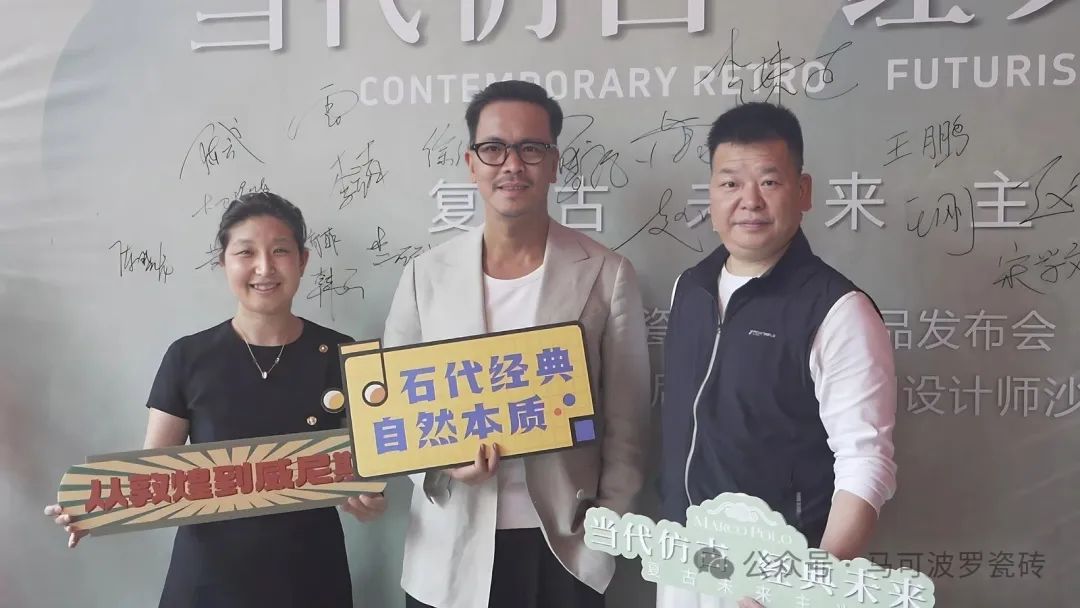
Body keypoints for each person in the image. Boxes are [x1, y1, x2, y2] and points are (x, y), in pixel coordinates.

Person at [380, 80, 651, 608]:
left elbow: (628, 423)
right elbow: (395, 409)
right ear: (471, 163)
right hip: (449, 551)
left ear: (553, 163)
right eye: (493, 148)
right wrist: (441, 463)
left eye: (531, 149)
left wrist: (605, 529)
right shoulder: (425, 275)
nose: (512, 165)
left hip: (566, 548)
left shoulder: (607, 273)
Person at [45, 192, 386, 608]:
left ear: (303, 261)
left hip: (311, 576)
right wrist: (96, 508)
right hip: (207, 581)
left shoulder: (345, 354)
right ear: (223, 261)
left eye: (280, 251)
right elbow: (152, 474)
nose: (265, 267)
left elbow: (373, 462)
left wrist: (369, 498)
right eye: (246, 252)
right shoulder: (187, 357)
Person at [657, 103, 898, 608]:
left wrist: (809, 585)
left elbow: (866, 463)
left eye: (769, 182)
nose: (749, 201)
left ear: (803, 191)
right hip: (684, 559)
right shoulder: (690, 288)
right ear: (711, 192)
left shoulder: (837, 310)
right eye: (730, 183)